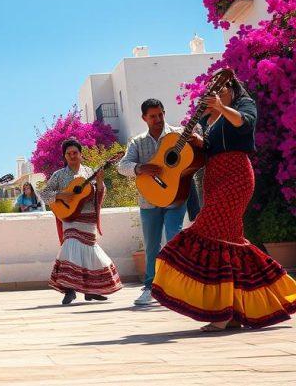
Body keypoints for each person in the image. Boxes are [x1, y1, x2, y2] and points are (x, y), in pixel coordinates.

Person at [152, 76, 296, 331]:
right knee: (229, 243)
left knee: (207, 231)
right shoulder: (208, 119)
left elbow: (244, 123)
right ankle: (233, 312)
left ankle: (220, 314)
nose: (214, 92)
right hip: (213, 177)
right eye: (211, 89)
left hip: (237, 175)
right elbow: (209, 150)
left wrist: (219, 107)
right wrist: (198, 142)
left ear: (230, 88)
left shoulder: (244, 105)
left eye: (219, 88)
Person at [117, 98, 190, 307]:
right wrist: (140, 168)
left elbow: (197, 147)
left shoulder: (179, 135)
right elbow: (123, 166)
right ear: (144, 118)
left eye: (160, 114)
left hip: (176, 196)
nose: (158, 119)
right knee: (151, 246)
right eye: (153, 116)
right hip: (149, 200)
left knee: (174, 239)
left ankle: (179, 286)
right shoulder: (137, 142)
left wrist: (195, 137)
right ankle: (150, 287)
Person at [39, 138, 122, 305]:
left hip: (88, 216)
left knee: (89, 252)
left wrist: (99, 183)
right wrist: (61, 195)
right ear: (64, 156)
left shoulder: (89, 171)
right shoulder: (58, 175)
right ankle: (69, 290)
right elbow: (44, 194)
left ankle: (90, 291)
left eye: (75, 153)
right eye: (68, 154)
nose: (72, 156)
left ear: (81, 154)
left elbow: (99, 194)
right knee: (70, 246)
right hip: (69, 218)